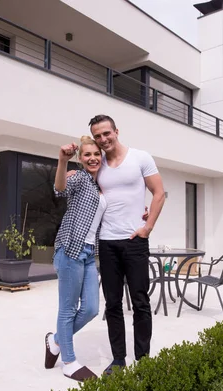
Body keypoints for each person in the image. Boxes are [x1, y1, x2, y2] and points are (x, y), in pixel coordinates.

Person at [88, 114, 166, 375]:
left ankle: (143, 359)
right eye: (97, 136)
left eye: (106, 133)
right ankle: (119, 359)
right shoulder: (98, 166)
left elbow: (159, 193)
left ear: (116, 131)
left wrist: (148, 226)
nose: (102, 139)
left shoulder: (140, 158)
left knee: (141, 301)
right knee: (112, 304)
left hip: (134, 242)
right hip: (107, 243)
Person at [44, 136, 105, 382]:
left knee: (91, 308)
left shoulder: (100, 185)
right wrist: (62, 160)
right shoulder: (78, 178)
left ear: (102, 157)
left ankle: (55, 340)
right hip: (71, 248)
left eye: (96, 154)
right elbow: (59, 189)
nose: (92, 158)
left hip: (90, 253)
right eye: (87, 154)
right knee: (68, 310)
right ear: (81, 158)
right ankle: (69, 361)